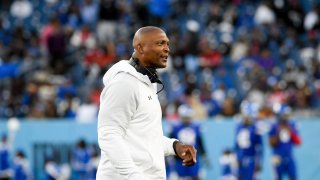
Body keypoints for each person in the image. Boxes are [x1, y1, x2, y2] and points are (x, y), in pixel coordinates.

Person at [96, 26, 197, 179]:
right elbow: (109, 135)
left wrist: (175, 146)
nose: (167, 49)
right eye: (160, 43)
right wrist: (133, 175)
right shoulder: (124, 83)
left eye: (167, 44)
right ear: (140, 47)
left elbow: (145, 139)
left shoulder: (146, 83)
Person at [169, 104, 209, 180]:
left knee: (195, 176)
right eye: (185, 117)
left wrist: (204, 154)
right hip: (179, 158)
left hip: (193, 156)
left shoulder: (196, 127)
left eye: (188, 117)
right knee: (180, 176)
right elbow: (171, 142)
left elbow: (200, 142)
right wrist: (171, 156)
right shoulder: (175, 127)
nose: (187, 119)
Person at [269, 105, 301, 180]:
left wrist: (291, 131)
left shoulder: (292, 125)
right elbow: (271, 144)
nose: (286, 117)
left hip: (289, 157)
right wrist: (278, 133)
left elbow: (298, 142)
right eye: (285, 115)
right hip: (278, 157)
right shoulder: (274, 125)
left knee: (293, 177)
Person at [234, 110, 263, 180]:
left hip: (251, 159)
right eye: (245, 116)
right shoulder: (238, 127)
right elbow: (236, 145)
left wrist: (259, 161)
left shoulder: (255, 128)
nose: (246, 119)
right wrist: (236, 157)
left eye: (248, 116)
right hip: (241, 159)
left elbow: (260, 147)